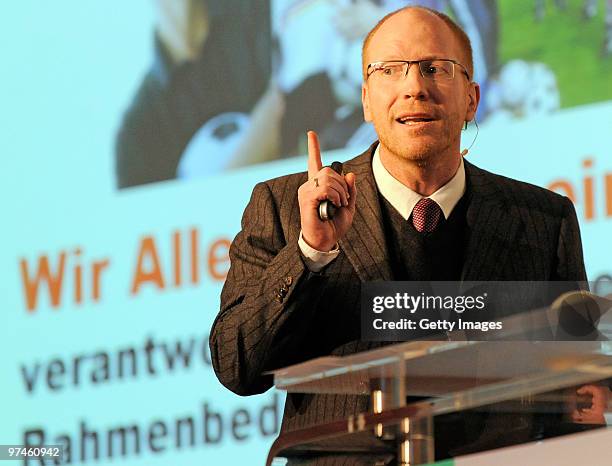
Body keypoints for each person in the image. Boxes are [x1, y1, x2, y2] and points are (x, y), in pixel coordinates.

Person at [210, 6, 603, 463]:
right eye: (390, 71)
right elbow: (238, 367)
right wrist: (310, 251)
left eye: (435, 69)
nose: (414, 88)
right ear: (366, 100)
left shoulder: (542, 219)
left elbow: (577, 394)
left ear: (472, 98)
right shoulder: (286, 207)